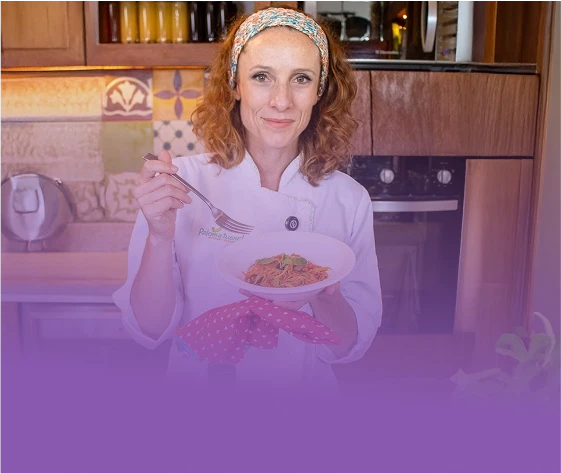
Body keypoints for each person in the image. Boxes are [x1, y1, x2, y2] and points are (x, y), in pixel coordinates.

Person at [113, 7, 383, 394]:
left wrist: (325, 294)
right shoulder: (182, 183)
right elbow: (149, 330)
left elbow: (346, 347)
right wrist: (158, 236)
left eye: (301, 79)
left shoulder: (348, 199)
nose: (281, 101)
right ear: (235, 84)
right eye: (261, 77)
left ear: (319, 91)